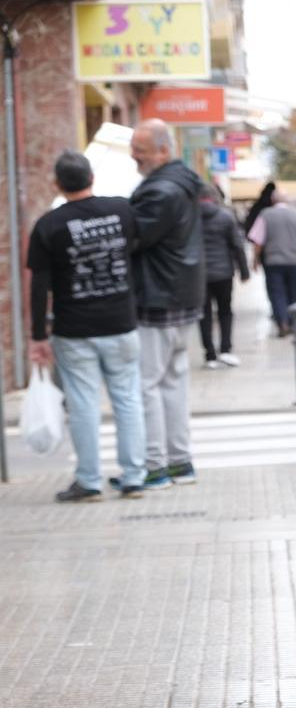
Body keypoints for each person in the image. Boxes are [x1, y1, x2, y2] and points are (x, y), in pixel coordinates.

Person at [26, 151, 146, 502]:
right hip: (122, 323)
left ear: (57, 184)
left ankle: (90, 481)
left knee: (82, 405)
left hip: (74, 329)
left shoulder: (48, 226)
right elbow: (137, 253)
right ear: (92, 177)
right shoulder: (122, 210)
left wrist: (37, 337)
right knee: (127, 400)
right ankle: (134, 476)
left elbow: (38, 287)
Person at [129, 118, 206, 490]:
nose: (134, 157)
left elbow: (135, 237)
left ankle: (156, 466)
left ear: (163, 150)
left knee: (148, 384)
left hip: (158, 295)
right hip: (183, 293)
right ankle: (180, 462)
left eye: (139, 151)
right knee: (173, 381)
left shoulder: (159, 191)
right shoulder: (182, 183)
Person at [247, 189, 296, 337]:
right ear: (287, 201)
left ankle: (282, 322)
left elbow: (257, 241)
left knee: (276, 293)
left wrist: (255, 260)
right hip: (293, 261)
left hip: (273, 262)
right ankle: (291, 321)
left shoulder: (265, 215)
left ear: (273, 201)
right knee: (292, 293)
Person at [197, 184, 250, 369]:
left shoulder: (191, 219)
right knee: (225, 311)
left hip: (199, 275)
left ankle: (210, 355)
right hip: (223, 273)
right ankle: (226, 350)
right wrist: (244, 271)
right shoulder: (225, 216)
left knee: (204, 314)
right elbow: (237, 245)